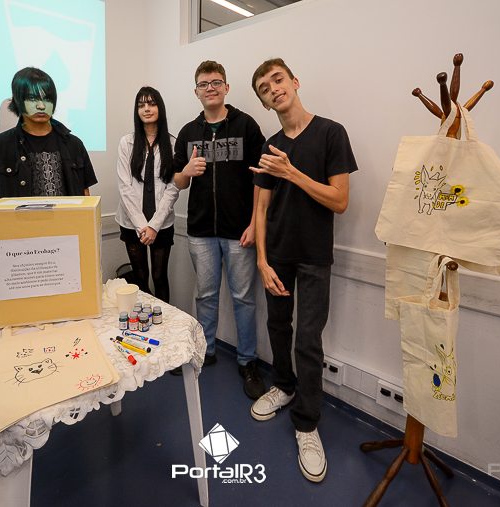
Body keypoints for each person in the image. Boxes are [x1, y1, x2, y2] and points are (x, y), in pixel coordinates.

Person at [249, 58, 359, 483]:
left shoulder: (331, 133)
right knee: (278, 326)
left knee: (308, 340)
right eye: (264, 88)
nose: (273, 89)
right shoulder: (269, 146)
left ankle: (307, 424)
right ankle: (283, 385)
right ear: (264, 102)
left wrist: (292, 172)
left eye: (278, 80)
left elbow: (339, 200)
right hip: (277, 254)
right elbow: (261, 209)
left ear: (294, 82)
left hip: (314, 256)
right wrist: (262, 260)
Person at [172, 60, 266, 400]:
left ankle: (247, 361)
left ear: (226, 87)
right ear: (196, 92)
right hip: (201, 231)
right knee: (206, 295)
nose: (210, 88)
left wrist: (254, 223)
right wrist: (186, 171)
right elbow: (177, 182)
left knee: (243, 298)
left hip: (240, 231)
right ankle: (206, 350)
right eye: (203, 84)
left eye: (216, 82)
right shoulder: (188, 132)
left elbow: (262, 178)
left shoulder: (246, 125)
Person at [0, 67, 96, 202]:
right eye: (33, 99)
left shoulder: (73, 144)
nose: (41, 106)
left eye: (47, 99)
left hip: (67, 216)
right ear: (18, 101)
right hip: (17, 216)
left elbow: (84, 193)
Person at [115, 87, 179, 301]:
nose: (147, 109)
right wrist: (142, 226)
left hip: (162, 224)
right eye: (141, 105)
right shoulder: (127, 142)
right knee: (140, 278)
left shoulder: (172, 143)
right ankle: (143, 319)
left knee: (160, 277)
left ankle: (164, 321)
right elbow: (125, 187)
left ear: (160, 107)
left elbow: (173, 188)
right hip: (131, 223)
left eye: (151, 104)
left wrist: (154, 226)